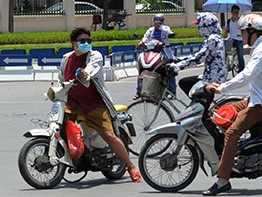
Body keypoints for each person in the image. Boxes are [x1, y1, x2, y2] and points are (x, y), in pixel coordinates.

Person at [203, 14, 262, 196]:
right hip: (255, 98)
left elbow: (246, 75)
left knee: (232, 133)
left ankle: (223, 179)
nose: (241, 36)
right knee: (222, 112)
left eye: (243, 32)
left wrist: (222, 88)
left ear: (252, 31)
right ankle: (231, 154)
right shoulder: (259, 47)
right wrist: (220, 85)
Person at [59, 27, 141, 182]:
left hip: (94, 104)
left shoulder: (95, 55)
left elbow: (92, 69)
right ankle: (77, 154)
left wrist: (84, 73)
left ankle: (131, 166)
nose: (86, 44)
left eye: (88, 41)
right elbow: (60, 79)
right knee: (58, 126)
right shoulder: (66, 59)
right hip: (72, 103)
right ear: (73, 44)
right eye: (82, 41)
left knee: (109, 136)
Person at [168, 12, 227, 101]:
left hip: (212, 78)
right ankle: (202, 104)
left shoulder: (213, 39)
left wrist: (178, 67)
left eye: (200, 26)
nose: (198, 29)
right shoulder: (216, 37)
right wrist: (179, 59)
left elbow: (198, 58)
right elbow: (198, 55)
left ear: (206, 25)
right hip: (211, 75)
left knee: (185, 83)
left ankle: (203, 106)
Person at [134, 13, 176, 100]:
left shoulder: (165, 28)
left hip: (164, 51)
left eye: (159, 23)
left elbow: (169, 33)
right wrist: (141, 43)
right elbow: (145, 38)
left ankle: (173, 91)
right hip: (151, 51)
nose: (157, 25)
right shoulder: (150, 30)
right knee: (141, 69)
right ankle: (138, 91)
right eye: (156, 23)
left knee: (170, 69)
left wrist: (161, 28)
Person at [224, 5, 245, 72]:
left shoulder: (240, 21)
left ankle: (242, 71)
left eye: (237, 12)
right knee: (224, 52)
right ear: (231, 12)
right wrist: (226, 30)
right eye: (234, 12)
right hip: (231, 40)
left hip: (239, 40)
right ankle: (226, 66)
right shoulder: (228, 21)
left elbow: (244, 31)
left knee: (240, 56)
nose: (235, 14)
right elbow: (225, 35)